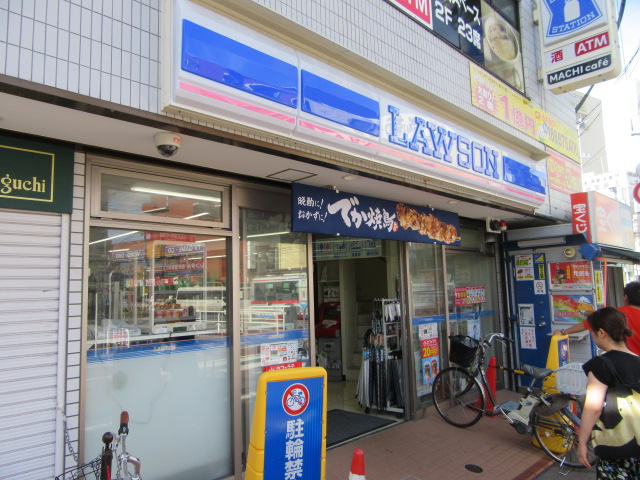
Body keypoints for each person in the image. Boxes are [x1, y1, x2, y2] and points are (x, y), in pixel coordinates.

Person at [577, 307, 640, 477]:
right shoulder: (638, 361)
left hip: (616, 447)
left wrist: (582, 441)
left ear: (601, 333)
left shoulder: (601, 364)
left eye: (592, 332)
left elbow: (593, 407)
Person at [552, 281, 640, 355]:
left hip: (626, 360)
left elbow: (585, 325)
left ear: (626, 297)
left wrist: (563, 332)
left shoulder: (616, 314)